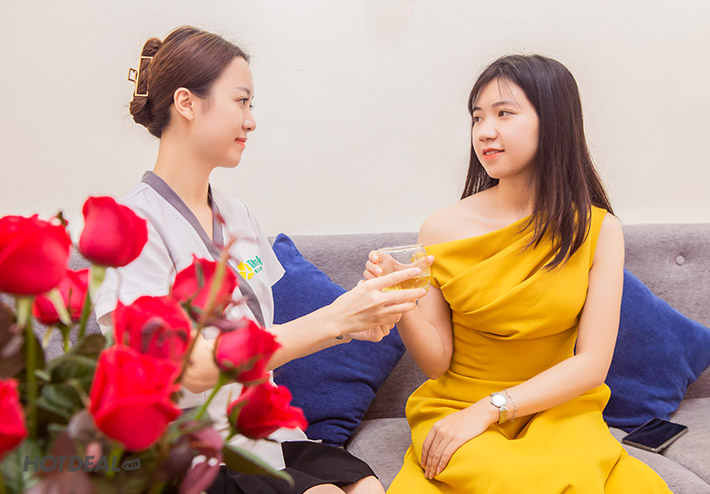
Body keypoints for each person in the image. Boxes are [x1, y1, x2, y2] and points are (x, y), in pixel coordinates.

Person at [94, 26, 427, 494]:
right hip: (184, 451)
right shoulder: (131, 227)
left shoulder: (239, 218)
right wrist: (336, 318)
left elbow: (255, 311)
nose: (251, 121)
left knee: (367, 487)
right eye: (241, 101)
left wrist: (358, 320)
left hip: (264, 434)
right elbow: (191, 367)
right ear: (186, 103)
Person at [364, 54, 672, 493]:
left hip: (559, 410)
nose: (484, 131)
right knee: (510, 481)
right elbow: (436, 362)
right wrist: (403, 300)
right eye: (477, 118)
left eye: (504, 113)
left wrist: (492, 408)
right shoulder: (441, 228)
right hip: (457, 408)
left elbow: (591, 365)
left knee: (577, 479)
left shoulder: (598, 230)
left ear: (554, 122)